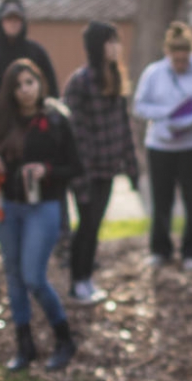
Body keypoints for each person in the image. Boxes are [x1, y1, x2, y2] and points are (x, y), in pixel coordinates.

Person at [0, 60, 79, 372]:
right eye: (18, 85)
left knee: (33, 277)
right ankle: (25, 346)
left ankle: (64, 337)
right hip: (8, 206)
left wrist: (46, 170)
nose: (25, 90)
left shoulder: (55, 119)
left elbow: (75, 166)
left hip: (44, 205)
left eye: (30, 82)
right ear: (11, 91)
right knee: (13, 275)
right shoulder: (4, 120)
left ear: (40, 83)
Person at [62, 21, 139, 305]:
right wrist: (82, 172)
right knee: (86, 225)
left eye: (116, 41)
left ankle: (86, 278)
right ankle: (77, 281)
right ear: (97, 46)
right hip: (86, 172)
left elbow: (123, 126)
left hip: (108, 170)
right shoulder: (80, 83)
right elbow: (75, 133)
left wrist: (132, 166)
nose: (115, 47)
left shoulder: (116, 79)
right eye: (109, 42)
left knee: (94, 226)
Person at [132, 21, 192, 271]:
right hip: (161, 146)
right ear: (168, 55)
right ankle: (160, 249)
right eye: (176, 61)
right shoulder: (154, 73)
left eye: (184, 60)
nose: (180, 65)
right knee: (161, 200)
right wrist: (167, 113)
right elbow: (139, 106)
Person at [0, 0, 58, 159]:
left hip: (35, 132)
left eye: (17, 19)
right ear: (0, 22)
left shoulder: (36, 53)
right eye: (9, 19)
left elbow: (52, 92)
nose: (13, 23)